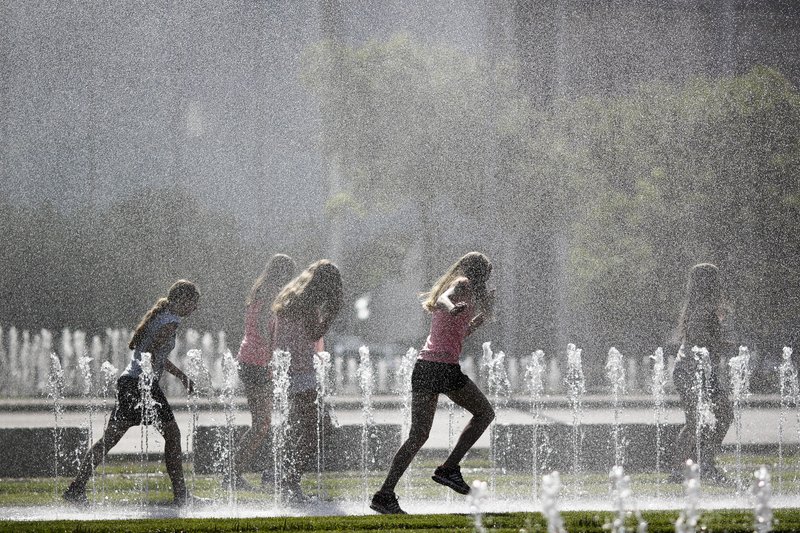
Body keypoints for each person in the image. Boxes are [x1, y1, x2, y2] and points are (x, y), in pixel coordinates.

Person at [370, 252, 495, 515]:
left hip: (425, 366)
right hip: (442, 367)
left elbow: (459, 331)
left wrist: (478, 319)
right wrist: (452, 306)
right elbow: (442, 299)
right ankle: (449, 469)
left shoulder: (466, 290)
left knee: (418, 436)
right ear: (479, 273)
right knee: (484, 413)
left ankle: (384, 494)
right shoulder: (463, 284)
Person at [63, 280, 202, 506]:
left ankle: (76, 488)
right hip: (141, 383)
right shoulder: (171, 321)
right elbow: (152, 353)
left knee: (110, 439)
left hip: (129, 382)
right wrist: (179, 376)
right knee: (173, 435)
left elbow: (151, 354)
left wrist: (180, 376)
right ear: (183, 300)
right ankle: (181, 496)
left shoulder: (162, 316)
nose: (194, 309)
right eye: (193, 303)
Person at [271, 259, 343, 503]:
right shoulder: (309, 303)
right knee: (316, 430)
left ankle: (286, 481)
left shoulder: (290, 297)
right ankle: (288, 481)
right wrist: (330, 315)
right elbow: (314, 333)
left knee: (303, 429)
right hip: (302, 372)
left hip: (289, 370)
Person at [229, 254, 296, 490]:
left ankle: (250, 472)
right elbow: (262, 326)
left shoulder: (261, 289)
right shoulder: (270, 292)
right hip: (258, 361)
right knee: (261, 423)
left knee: (264, 422)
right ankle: (232, 475)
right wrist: (273, 354)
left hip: (251, 358)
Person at [670, 263, 734, 483]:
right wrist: (722, 345)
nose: (718, 283)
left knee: (722, 415)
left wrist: (720, 343)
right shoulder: (702, 308)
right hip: (690, 370)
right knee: (695, 421)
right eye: (714, 279)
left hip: (698, 371)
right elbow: (699, 341)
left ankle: (705, 463)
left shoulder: (702, 306)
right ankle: (683, 469)